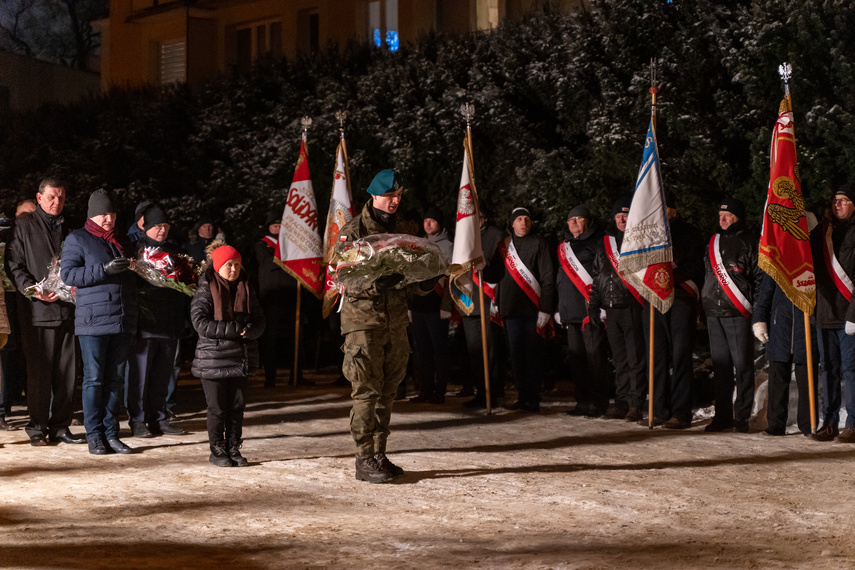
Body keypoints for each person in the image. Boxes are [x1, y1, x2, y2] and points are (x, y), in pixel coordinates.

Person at [335, 169, 429, 483]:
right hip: (363, 322)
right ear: (374, 195)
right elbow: (344, 276)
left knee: (389, 391)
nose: (394, 202)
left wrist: (427, 280)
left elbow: (414, 272)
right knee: (366, 392)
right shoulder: (354, 230)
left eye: (398, 196)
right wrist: (378, 283)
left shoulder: (406, 227)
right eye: (389, 196)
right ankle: (363, 460)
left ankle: (378, 453)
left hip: (396, 320)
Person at [4, 178, 83, 446]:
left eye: (60, 197)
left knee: (68, 373)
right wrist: (33, 290)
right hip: (38, 312)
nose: (56, 202)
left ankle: (61, 426)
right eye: (51, 197)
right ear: (39, 198)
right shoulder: (24, 226)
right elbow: (13, 263)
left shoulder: (70, 228)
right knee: (39, 374)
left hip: (68, 311)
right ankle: (37, 428)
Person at [61, 189, 138, 455]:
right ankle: (94, 435)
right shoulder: (77, 239)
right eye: (103, 214)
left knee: (115, 380)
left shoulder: (122, 241)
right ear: (92, 215)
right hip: (93, 321)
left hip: (121, 318)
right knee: (94, 379)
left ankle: (112, 433)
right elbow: (69, 274)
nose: (108, 218)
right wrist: (104, 269)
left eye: (112, 213)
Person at [191, 244, 265, 467]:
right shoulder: (206, 287)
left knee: (237, 407)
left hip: (239, 359)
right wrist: (234, 329)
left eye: (236, 264)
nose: (233, 269)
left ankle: (233, 447)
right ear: (217, 266)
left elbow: (260, 320)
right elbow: (199, 322)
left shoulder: (246, 287)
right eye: (228, 265)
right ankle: (217, 449)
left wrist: (250, 330)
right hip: (213, 359)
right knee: (217, 408)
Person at [484, 207, 556, 413]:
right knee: (515, 357)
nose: (523, 222)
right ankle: (522, 396)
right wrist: (480, 263)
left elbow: (548, 278)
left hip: (533, 311)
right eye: (519, 219)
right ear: (513, 223)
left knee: (532, 357)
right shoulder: (504, 246)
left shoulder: (539, 244)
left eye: (526, 219)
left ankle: (533, 398)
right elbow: (496, 276)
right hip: (510, 310)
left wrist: (546, 308)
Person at [641, 194, 703, 429]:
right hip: (653, 299)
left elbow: (694, 265)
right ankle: (657, 409)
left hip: (680, 298)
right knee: (656, 357)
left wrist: (667, 279)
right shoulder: (646, 234)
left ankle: (680, 412)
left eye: (663, 207)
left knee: (680, 357)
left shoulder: (689, 233)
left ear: (673, 211)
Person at [126, 205, 189, 438]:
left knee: (163, 376)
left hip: (170, 323)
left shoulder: (175, 251)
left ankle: (159, 418)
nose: (162, 230)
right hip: (145, 324)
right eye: (157, 226)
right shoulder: (136, 250)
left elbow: (185, 283)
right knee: (140, 377)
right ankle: (138, 420)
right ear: (147, 227)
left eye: (165, 226)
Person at [702, 198, 761, 433]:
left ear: (738, 216)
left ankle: (742, 417)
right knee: (721, 367)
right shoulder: (713, 241)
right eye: (720, 215)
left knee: (743, 365)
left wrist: (756, 311)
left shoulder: (749, 242)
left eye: (728, 215)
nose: (723, 219)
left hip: (738, 311)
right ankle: (722, 416)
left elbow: (758, 278)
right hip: (713, 311)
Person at [589, 196, 647, 423]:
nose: (623, 220)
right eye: (619, 216)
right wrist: (594, 303)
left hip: (632, 306)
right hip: (611, 309)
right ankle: (621, 402)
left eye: (626, 215)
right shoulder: (605, 243)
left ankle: (636, 403)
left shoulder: (638, 240)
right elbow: (597, 276)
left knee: (635, 359)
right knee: (620, 360)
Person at [810, 185, 855, 443]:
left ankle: (853, 424)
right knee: (828, 369)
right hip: (824, 313)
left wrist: (854, 314)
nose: (838, 204)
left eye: (845, 200)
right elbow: (803, 255)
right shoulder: (822, 231)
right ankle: (828, 423)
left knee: (851, 370)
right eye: (835, 200)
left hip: (849, 314)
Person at [555, 204, 609, 418]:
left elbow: (602, 275)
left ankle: (599, 402)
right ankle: (583, 401)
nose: (574, 222)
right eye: (571, 219)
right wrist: (558, 307)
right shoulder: (564, 246)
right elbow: (560, 278)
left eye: (579, 218)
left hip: (590, 309)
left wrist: (601, 304)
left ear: (588, 221)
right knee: (577, 360)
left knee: (595, 358)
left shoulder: (598, 242)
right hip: (569, 310)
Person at [753, 273, 816, 437]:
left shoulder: (809, 261)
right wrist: (760, 319)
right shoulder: (776, 265)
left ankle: (808, 424)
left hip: (807, 328)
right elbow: (764, 295)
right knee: (777, 377)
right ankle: (775, 424)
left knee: (807, 379)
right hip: (779, 326)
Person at [461, 202, 505, 409]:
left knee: (491, 350)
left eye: (476, 216)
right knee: (474, 351)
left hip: (488, 300)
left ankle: (493, 392)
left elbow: (503, 270)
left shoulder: (496, 235)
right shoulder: (463, 236)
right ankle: (481, 391)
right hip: (469, 301)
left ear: (484, 217)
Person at [409, 205, 453, 404]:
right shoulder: (418, 244)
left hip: (437, 306)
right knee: (422, 350)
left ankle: (440, 391)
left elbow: (452, 279)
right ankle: (425, 389)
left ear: (440, 223)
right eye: (425, 220)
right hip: (419, 305)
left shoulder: (449, 247)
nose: (427, 224)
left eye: (432, 221)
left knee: (440, 350)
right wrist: (410, 305)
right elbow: (412, 276)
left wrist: (447, 306)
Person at [253, 210, 299, 387]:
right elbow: (267, 262)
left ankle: (296, 375)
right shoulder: (262, 244)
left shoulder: (291, 244)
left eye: (280, 225)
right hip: (271, 298)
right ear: (268, 227)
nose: (278, 228)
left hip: (291, 295)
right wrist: (289, 257)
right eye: (274, 225)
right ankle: (270, 378)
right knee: (270, 338)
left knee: (296, 337)